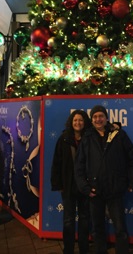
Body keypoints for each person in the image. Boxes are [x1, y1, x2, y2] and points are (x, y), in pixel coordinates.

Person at [75, 105, 133, 254]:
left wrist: (132, 181)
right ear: (91, 120)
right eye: (95, 117)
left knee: (120, 228)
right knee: (97, 229)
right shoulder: (87, 138)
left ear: (106, 118)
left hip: (115, 189)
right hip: (94, 190)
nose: (98, 119)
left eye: (101, 116)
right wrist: (84, 187)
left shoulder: (119, 135)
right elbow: (78, 166)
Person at [51, 109, 92, 254]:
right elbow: (56, 162)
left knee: (84, 219)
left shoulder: (90, 138)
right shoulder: (63, 139)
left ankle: (84, 249)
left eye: (80, 120)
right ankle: (68, 250)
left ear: (85, 122)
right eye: (75, 120)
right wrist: (58, 185)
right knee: (68, 220)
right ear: (71, 122)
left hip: (85, 186)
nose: (78, 123)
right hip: (68, 186)